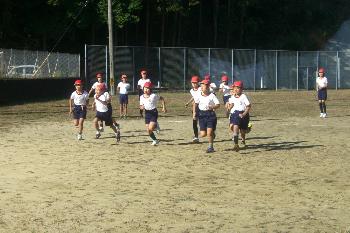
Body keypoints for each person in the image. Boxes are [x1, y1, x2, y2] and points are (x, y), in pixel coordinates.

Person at [193, 79, 220, 153]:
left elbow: (218, 105)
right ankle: (212, 134)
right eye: (200, 85)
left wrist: (213, 107)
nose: (201, 87)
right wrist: (195, 112)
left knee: (209, 133)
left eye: (203, 85)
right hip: (201, 115)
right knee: (203, 134)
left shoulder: (212, 95)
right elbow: (195, 103)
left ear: (208, 87)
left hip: (210, 115)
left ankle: (211, 147)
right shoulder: (198, 95)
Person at [139, 82, 166, 146]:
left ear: (150, 89)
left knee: (151, 128)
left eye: (148, 88)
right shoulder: (141, 97)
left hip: (153, 112)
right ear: (143, 88)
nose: (146, 89)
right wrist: (141, 108)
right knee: (148, 130)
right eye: (145, 88)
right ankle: (155, 140)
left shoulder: (153, 95)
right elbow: (141, 106)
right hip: (147, 113)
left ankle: (156, 124)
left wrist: (164, 107)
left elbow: (162, 99)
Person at [227, 81, 252, 152]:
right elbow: (232, 104)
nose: (236, 89)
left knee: (243, 131)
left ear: (241, 89)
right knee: (234, 127)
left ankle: (246, 131)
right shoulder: (232, 97)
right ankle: (236, 145)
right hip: (235, 114)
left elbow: (248, 106)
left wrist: (244, 114)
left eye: (238, 88)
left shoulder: (243, 96)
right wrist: (229, 108)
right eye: (235, 87)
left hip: (243, 114)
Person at [185, 75, 201, 143]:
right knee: (194, 121)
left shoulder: (201, 89)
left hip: (202, 106)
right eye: (193, 83)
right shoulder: (191, 90)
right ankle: (196, 137)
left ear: (198, 83)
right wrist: (188, 103)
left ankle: (210, 131)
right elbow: (194, 97)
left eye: (195, 82)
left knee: (203, 121)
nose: (194, 84)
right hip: (195, 106)